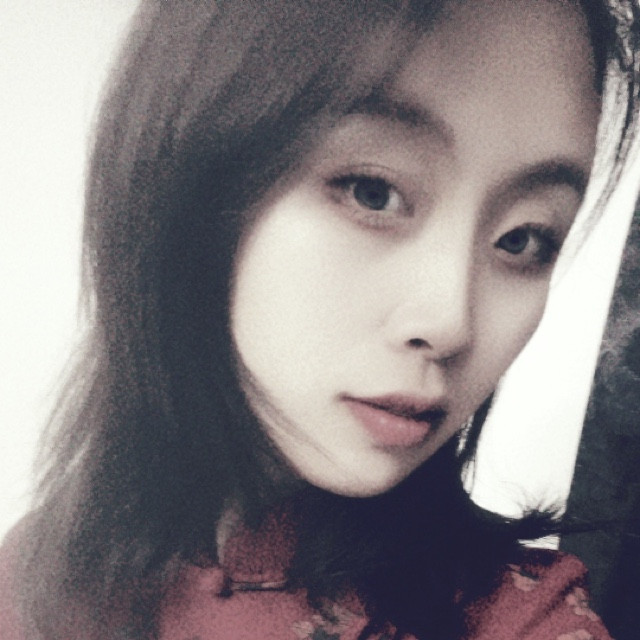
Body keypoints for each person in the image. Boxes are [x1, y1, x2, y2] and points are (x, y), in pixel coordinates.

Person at [1, 0, 638, 638]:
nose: (451, 323)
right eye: (372, 192)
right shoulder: (35, 576)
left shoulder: (521, 617)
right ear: (187, 184)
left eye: (523, 239)